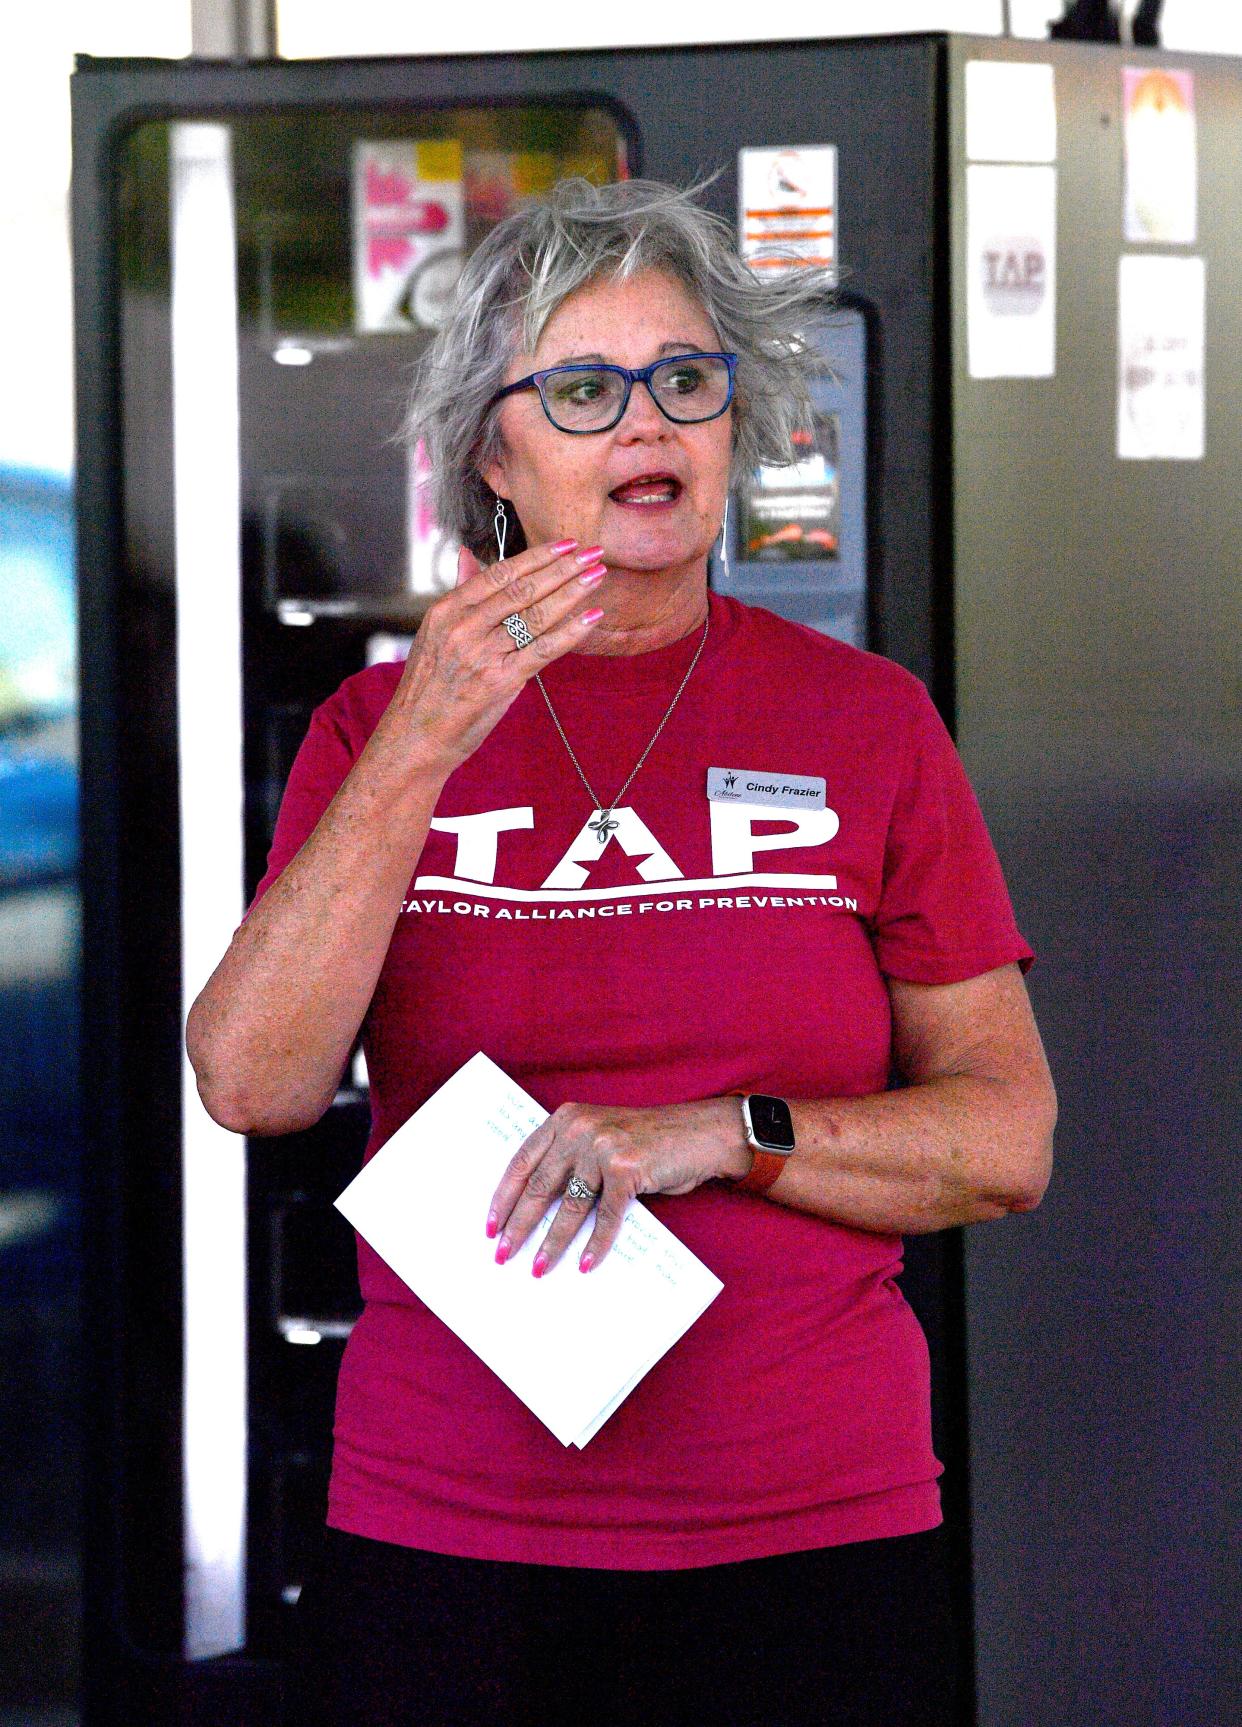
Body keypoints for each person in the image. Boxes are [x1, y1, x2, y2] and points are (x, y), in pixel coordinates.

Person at [186, 176, 1056, 1726]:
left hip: (812, 1527)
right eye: (583, 390)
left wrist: (722, 1138)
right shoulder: (371, 733)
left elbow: (1004, 1141)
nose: (645, 425)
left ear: (737, 424)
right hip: (450, 1527)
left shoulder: (865, 724)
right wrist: (417, 750)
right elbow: (254, 1082)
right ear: (491, 454)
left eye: (685, 380)